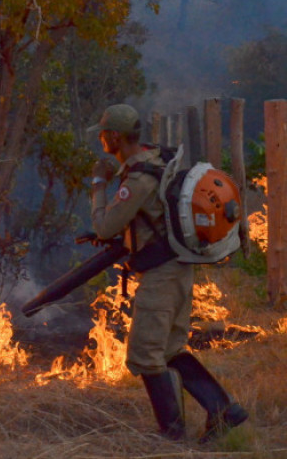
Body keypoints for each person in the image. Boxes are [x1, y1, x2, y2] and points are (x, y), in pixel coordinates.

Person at [87, 104, 248, 442]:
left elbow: (104, 226)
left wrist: (98, 185)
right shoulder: (157, 158)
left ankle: (172, 435)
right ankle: (224, 409)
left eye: (103, 133)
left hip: (161, 276)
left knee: (145, 354)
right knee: (172, 348)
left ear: (115, 136)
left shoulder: (139, 179)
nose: (101, 138)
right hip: (177, 268)